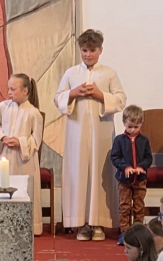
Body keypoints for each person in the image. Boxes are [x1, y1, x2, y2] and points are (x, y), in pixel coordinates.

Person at [54, 29, 126, 241]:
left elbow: (121, 99)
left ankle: (98, 223)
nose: (88, 54)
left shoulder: (109, 73)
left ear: (100, 50)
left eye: (92, 50)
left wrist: (99, 94)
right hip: (76, 131)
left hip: (101, 131)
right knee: (79, 172)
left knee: (99, 173)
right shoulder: (71, 73)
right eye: (84, 50)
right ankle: (80, 223)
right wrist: (73, 93)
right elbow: (58, 98)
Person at [0, 73, 44, 235]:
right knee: (3, 186)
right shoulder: (2, 107)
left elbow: (36, 140)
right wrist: (2, 137)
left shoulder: (34, 113)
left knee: (24, 190)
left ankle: (28, 225)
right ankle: (2, 223)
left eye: (13, 89)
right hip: (6, 155)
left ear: (25, 91)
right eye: (8, 88)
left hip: (24, 161)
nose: (9, 92)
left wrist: (20, 142)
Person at [110, 105, 152, 246]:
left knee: (139, 206)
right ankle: (125, 232)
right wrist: (125, 167)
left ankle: (139, 232)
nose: (133, 130)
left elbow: (148, 158)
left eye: (136, 127)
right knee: (125, 206)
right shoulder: (119, 140)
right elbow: (115, 157)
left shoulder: (144, 140)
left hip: (140, 180)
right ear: (124, 124)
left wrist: (141, 167)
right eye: (129, 127)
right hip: (124, 180)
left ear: (141, 124)